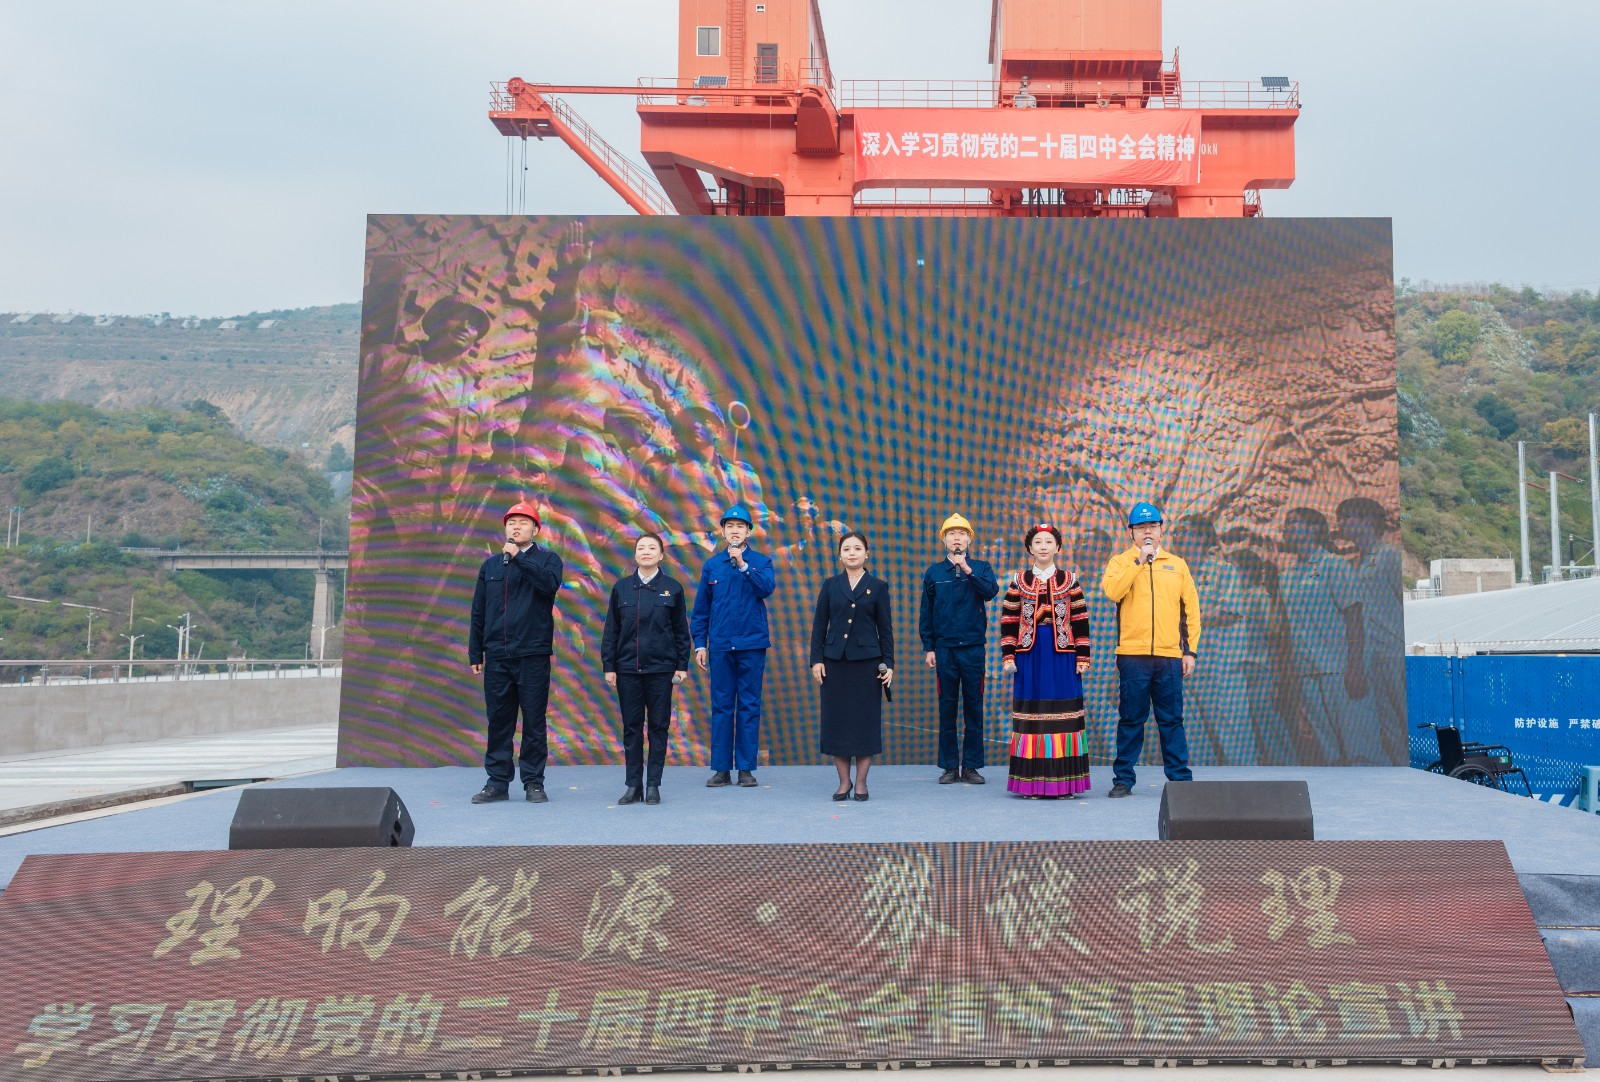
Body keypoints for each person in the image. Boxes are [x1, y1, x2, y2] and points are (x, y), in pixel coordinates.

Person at [1101, 502, 1201, 798]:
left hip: (1170, 656)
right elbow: (1113, 592)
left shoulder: (1177, 564)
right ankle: (1123, 779)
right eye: (1141, 527)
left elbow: (1190, 610)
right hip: (1133, 655)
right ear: (1131, 533)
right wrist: (1138, 563)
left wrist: (1190, 652)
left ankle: (1180, 779)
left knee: (1172, 719)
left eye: (1152, 526)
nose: (1147, 531)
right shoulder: (1120, 562)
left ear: (1161, 531)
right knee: (1131, 719)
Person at [467, 501, 564, 804]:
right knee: (499, 721)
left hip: (532, 654)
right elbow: (479, 611)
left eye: (523, 522)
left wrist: (519, 558)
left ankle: (533, 782)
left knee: (533, 721)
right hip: (497, 655)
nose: (516, 527)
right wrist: (476, 652)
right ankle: (497, 782)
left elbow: (548, 586)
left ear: (536, 529)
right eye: (511, 522)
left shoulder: (548, 560)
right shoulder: (491, 566)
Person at [1279, 507, 1381, 765]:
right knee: (1329, 753)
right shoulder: (1286, 577)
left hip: (1339, 670)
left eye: (1293, 522)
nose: (1286, 528)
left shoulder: (1333, 564)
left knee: (1360, 750)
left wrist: (1356, 666)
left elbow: (1354, 615)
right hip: (1307, 673)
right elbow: (1289, 632)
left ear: (1314, 528)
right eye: (1285, 523)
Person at [1000, 523, 1093, 798]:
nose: (1043, 547)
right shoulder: (1018, 581)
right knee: (1032, 717)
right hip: (1029, 657)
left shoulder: (1070, 580)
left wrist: (1083, 656)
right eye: (1038, 542)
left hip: (1062, 657)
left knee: (1064, 717)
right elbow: (1008, 620)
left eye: (1049, 542)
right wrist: (1008, 655)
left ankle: (1064, 784)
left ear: (1058, 548)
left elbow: (1080, 620)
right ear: (1030, 548)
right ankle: (1030, 784)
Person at [601, 532, 692, 806]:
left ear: (661, 555)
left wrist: (682, 665)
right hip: (627, 669)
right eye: (641, 547)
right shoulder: (622, 588)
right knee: (631, 729)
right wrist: (609, 666)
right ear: (635, 554)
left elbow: (681, 631)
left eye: (652, 548)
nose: (646, 552)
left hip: (661, 670)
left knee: (658, 727)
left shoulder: (672, 588)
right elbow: (611, 630)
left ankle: (653, 784)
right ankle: (633, 785)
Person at [690, 504, 776, 788]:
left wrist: (743, 566)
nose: (735, 531)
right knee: (722, 706)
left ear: (749, 531)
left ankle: (746, 769)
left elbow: (766, 589)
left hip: (751, 644)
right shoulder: (712, 565)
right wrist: (700, 644)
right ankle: (721, 769)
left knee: (749, 705)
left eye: (740, 526)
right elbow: (701, 610)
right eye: (730, 526)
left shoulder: (761, 562)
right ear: (723, 532)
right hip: (721, 646)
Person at [810, 531, 894, 801]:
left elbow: (885, 629)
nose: (852, 553)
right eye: (846, 549)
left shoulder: (878, 586)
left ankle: (861, 783)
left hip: (868, 665)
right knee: (837, 723)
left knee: (864, 724)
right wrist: (816, 660)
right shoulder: (830, 585)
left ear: (867, 553)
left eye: (857, 548)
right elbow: (819, 626)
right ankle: (843, 782)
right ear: (840, 555)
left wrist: (889, 663)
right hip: (834, 664)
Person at [919, 513, 1000, 784]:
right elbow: (926, 612)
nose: (957, 538)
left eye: (962, 534)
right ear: (944, 539)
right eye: (952, 534)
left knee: (974, 708)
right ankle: (950, 767)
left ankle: (972, 767)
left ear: (969, 540)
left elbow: (990, 591)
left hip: (973, 649)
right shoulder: (934, 572)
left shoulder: (981, 567)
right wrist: (929, 647)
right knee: (947, 709)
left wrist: (966, 569)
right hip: (945, 650)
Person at [1337, 497, 1406, 764]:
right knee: (1388, 729)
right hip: (1371, 659)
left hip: (1393, 654)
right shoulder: (1355, 564)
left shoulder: (1389, 556)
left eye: (1346, 518)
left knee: (1404, 720)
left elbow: (1403, 601)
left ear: (1366, 520)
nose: (1340, 524)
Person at [1180, 517, 1252, 765]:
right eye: (1176, 532)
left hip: (1222, 670)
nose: (1177, 536)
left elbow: (1229, 613)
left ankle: (1245, 785)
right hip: (1187, 670)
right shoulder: (1175, 576)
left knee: (1235, 743)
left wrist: (1184, 621)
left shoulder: (1224, 571)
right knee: (1195, 743)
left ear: (1202, 537)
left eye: (1184, 531)